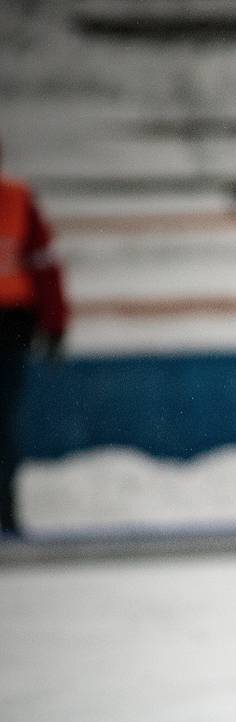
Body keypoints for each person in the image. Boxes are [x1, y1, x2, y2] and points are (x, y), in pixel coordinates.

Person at [0, 138, 68, 538]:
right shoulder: (16, 199)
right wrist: (56, 325)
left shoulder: (17, 200)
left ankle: (6, 510)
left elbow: (44, 267)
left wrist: (55, 323)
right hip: (11, 325)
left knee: (3, 422)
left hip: (9, 326)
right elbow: (46, 269)